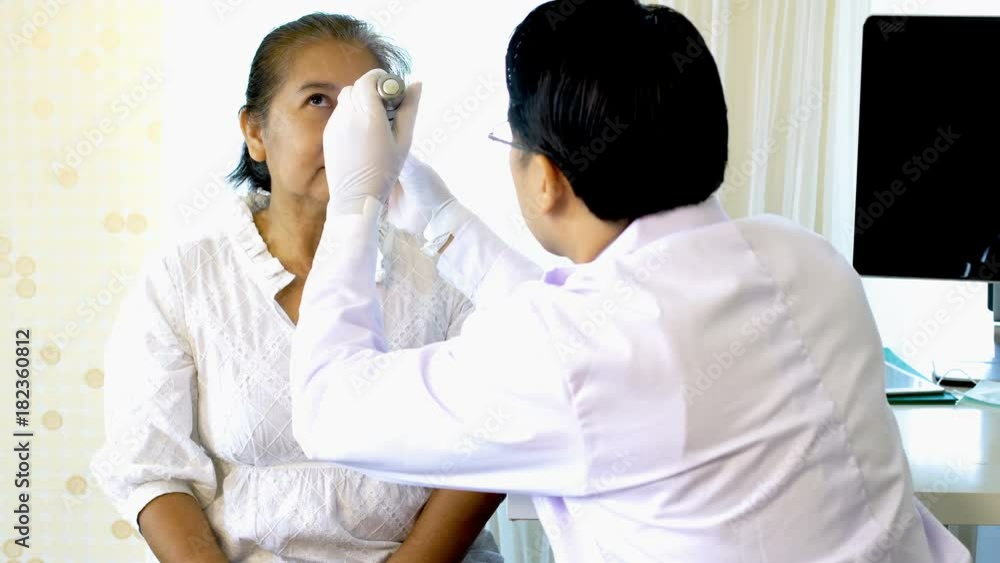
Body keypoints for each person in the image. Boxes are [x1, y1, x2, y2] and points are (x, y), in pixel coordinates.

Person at [288, 2, 973, 562]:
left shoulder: (577, 351)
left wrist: (355, 203)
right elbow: (603, 330)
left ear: (548, 179)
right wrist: (441, 221)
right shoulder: (803, 256)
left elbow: (325, 406)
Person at [89, 13, 504, 563]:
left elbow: (491, 435)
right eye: (318, 101)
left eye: (370, 107)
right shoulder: (182, 280)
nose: (350, 130)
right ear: (255, 132)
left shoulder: (447, 271)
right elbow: (150, 469)